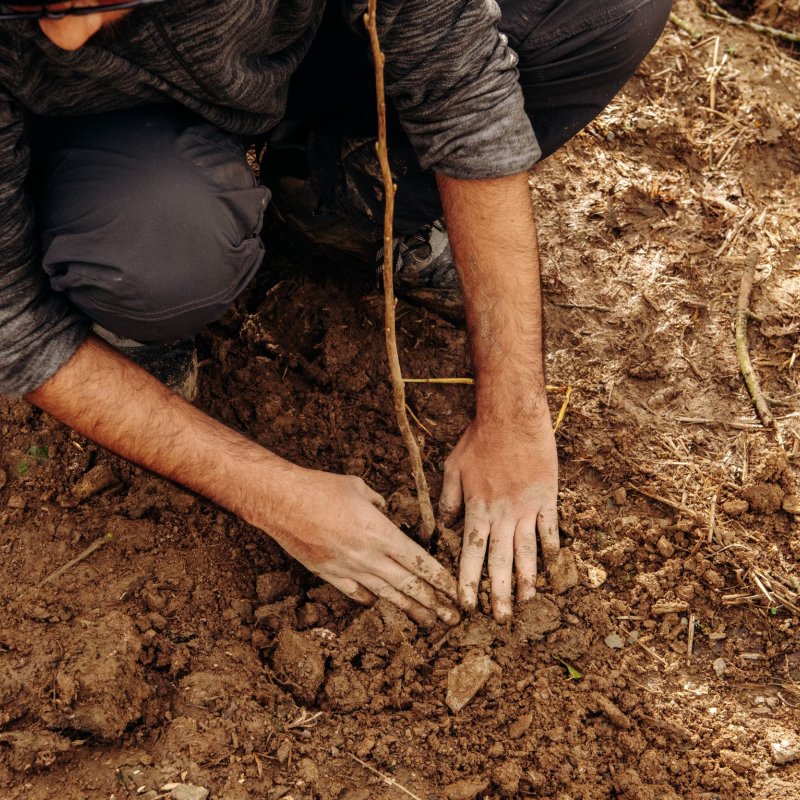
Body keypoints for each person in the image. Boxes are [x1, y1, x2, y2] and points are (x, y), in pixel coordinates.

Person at [0, 0, 671, 625]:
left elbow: (465, 91)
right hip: (107, 141)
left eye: (84, 1)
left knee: (602, 11)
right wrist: (278, 497)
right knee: (161, 247)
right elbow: (15, 326)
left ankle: (337, 201)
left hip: (292, 46)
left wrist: (517, 415)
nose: (62, 33)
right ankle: (129, 298)